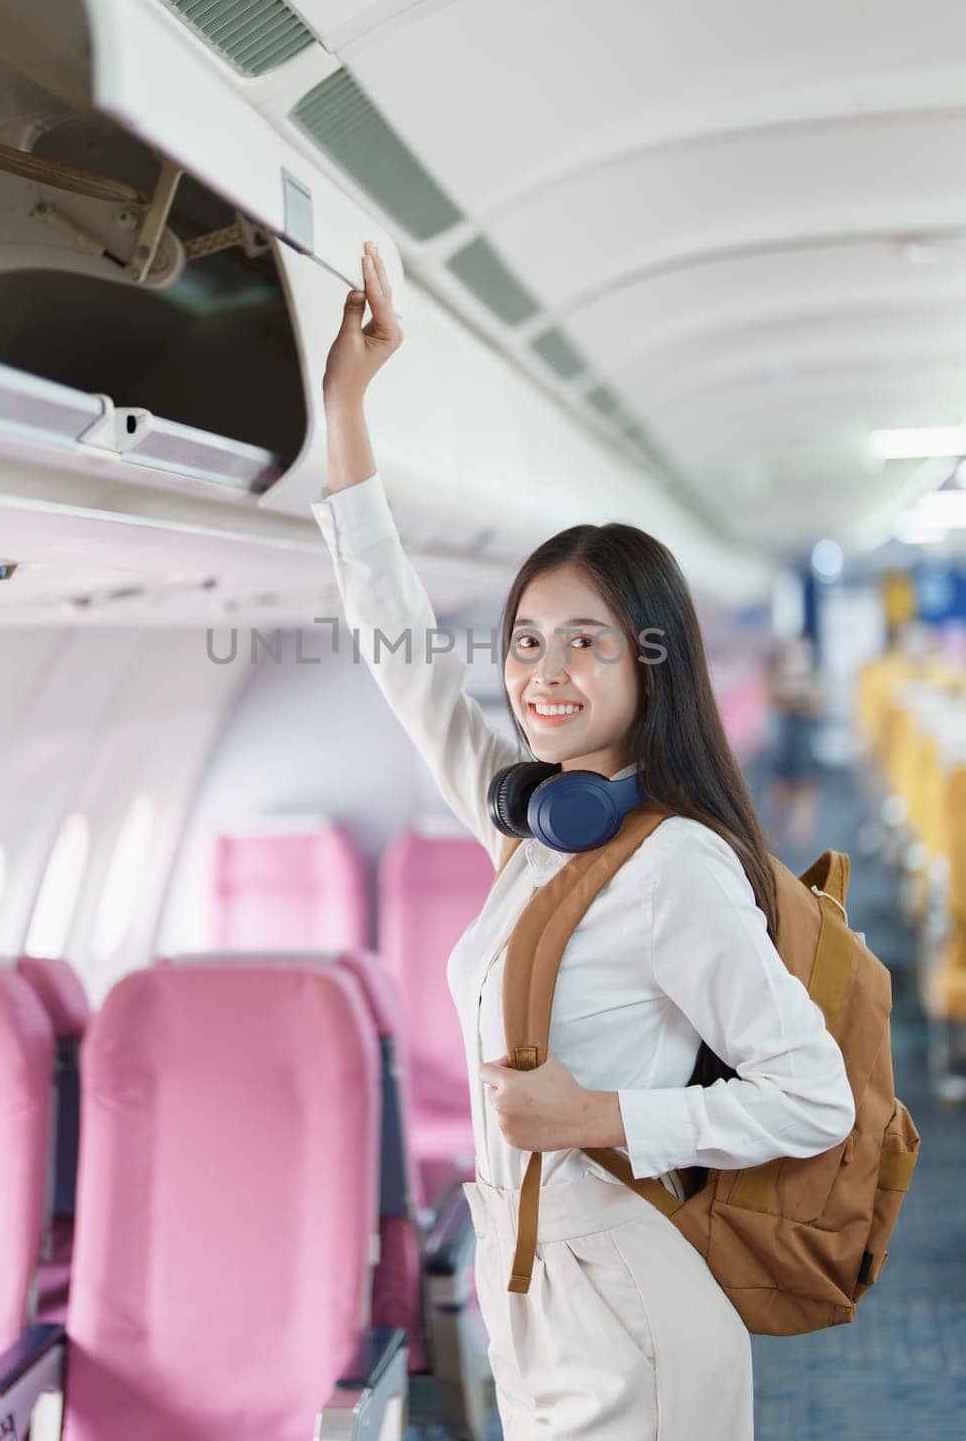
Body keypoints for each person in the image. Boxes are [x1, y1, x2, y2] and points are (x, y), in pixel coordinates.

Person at [309, 242, 856, 1440]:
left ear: (649, 661)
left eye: (585, 643)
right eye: (524, 640)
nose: (541, 673)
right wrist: (344, 408)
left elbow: (814, 1098)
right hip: (535, 1300)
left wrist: (597, 1115)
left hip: (626, 1308)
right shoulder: (531, 825)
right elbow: (396, 641)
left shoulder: (673, 864)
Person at [767, 634, 823, 851]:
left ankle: (802, 836)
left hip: (803, 738)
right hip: (785, 738)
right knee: (780, 786)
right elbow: (775, 699)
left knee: (805, 786)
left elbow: (817, 705)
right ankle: (778, 829)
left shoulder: (812, 677)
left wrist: (798, 696)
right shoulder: (780, 674)